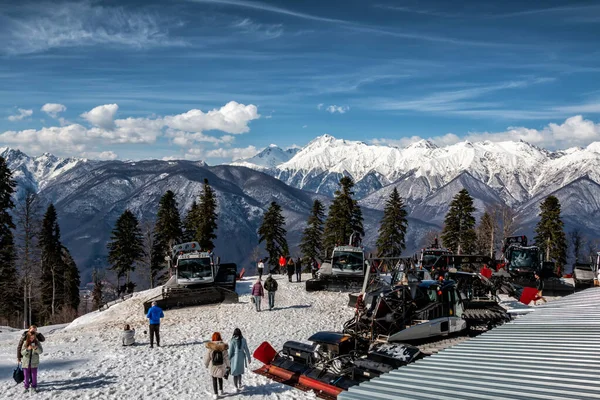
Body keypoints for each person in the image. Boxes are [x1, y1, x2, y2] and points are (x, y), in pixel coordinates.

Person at [204, 332, 230, 399]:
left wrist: (206, 364)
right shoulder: (223, 347)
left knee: (214, 379)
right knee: (220, 377)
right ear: (220, 337)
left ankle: (216, 394)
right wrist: (228, 365)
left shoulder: (211, 347)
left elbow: (207, 357)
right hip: (221, 366)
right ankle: (221, 390)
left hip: (213, 366)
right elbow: (226, 357)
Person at [228, 328, 251, 392]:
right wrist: (249, 358)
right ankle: (240, 383)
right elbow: (246, 349)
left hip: (234, 358)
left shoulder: (232, 341)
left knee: (235, 372)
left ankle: (236, 386)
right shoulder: (243, 340)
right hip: (241, 357)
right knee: (240, 371)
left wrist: (227, 360)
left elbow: (230, 352)